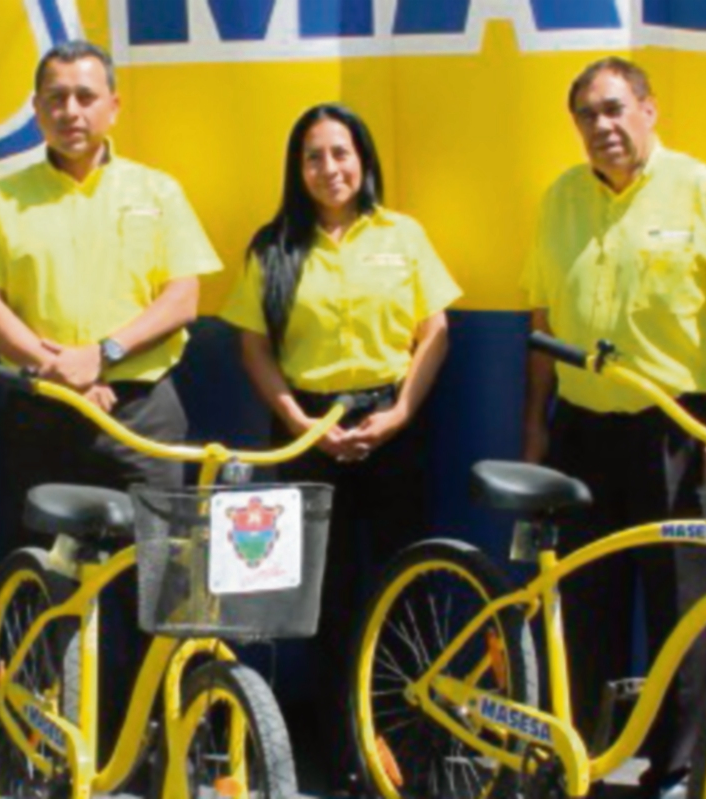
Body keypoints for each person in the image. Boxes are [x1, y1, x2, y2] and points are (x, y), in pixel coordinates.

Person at [0, 38, 221, 770]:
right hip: (43, 413)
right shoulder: (0, 200)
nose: (70, 110)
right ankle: (52, 755)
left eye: (84, 96)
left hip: (144, 418)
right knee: (51, 585)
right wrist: (57, 365)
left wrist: (100, 354)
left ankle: (158, 754)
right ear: (37, 108)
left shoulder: (156, 192)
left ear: (112, 105)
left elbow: (184, 295)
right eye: (55, 97)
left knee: (164, 587)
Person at [522, 56, 706, 799]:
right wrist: (535, 426)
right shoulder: (560, 198)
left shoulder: (704, 190)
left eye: (614, 108)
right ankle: (576, 761)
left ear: (649, 110)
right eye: (587, 115)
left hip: (682, 433)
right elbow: (541, 321)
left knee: (687, 609)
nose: (603, 126)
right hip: (584, 434)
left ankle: (678, 770)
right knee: (583, 600)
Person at [221, 102, 461, 796]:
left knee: (405, 587)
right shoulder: (274, 247)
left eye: (342, 152)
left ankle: (409, 745)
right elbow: (253, 345)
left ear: (364, 159)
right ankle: (343, 749)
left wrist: (401, 413)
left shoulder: (403, 235)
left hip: (394, 426)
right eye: (314, 156)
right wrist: (301, 420)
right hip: (305, 431)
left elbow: (434, 329)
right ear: (298, 170)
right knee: (322, 601)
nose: (331, 167)